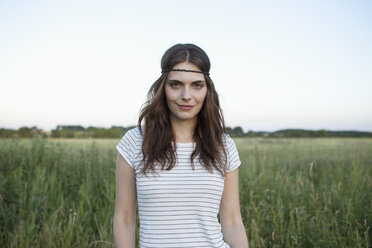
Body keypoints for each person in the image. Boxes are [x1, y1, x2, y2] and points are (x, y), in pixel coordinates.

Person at [114, 43, 249, 248]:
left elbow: (232, 221)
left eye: (197, 85)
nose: (186, 95)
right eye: (176, 84)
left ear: (207, 90)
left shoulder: (224, 145)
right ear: (162, 88)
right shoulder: (135, 142)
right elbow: (124, 220)